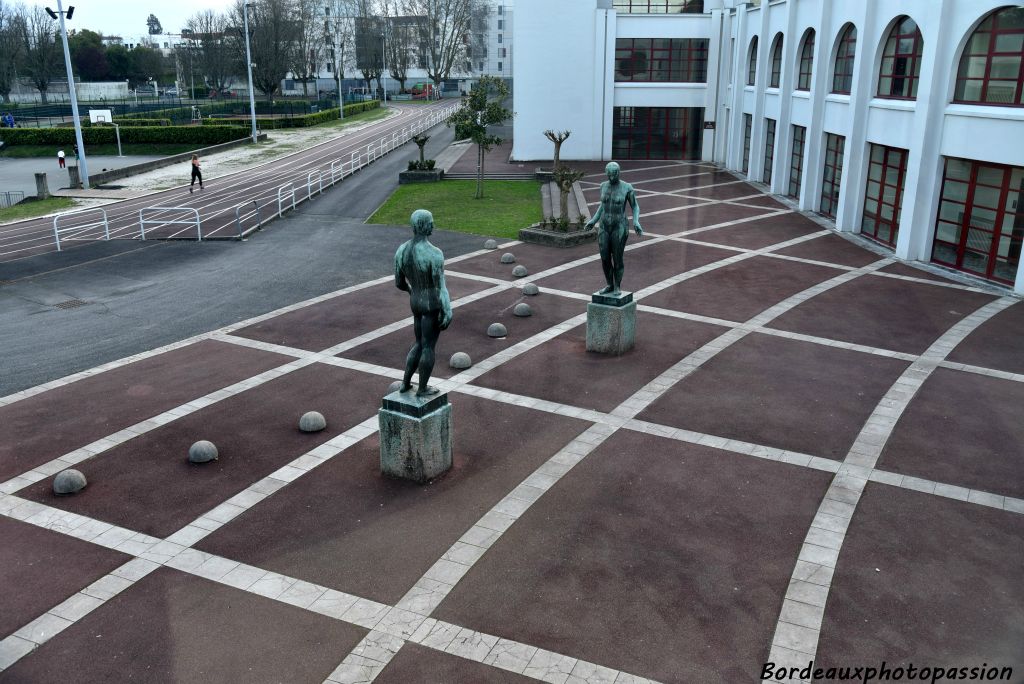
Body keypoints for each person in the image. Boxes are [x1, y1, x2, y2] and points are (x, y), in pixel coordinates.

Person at [394, 209, 453, 396]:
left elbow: (399, 283)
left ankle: (405, 383)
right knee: (428, 346)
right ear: (422, 225)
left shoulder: (402, 250)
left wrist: (412, 291)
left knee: (418, 342)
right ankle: (422, 388)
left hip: (415, 302)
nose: (433, 225)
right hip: (431, 304)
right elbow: (440, 286)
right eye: (430, 222)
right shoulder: (434, 254)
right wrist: (447, 309)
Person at [584, 161, 643, 294]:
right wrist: (593, 220)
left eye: (614, 175)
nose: (611, 178)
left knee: (617, 258)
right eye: (609, 175)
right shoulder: (603, 186)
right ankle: (609, 284)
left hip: (619, 226)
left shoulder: (627, 187)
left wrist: (636, 221)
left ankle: (617, 286)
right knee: (604, 258)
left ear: (618, 173)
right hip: (604, 226)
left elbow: (635, 206)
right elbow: (603, 205)